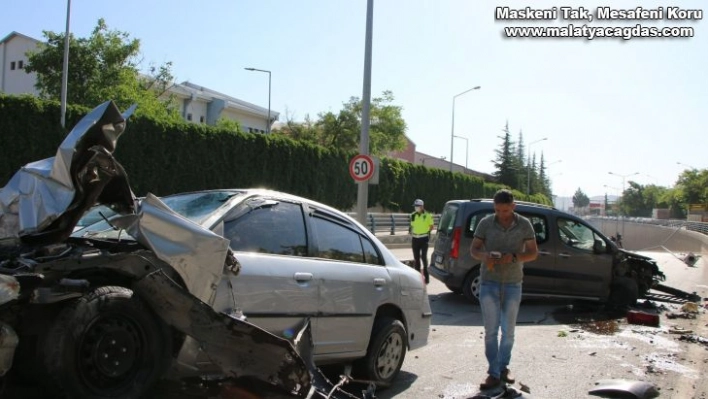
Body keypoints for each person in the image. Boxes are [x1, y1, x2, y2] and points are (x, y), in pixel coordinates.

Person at [469, 189, 538, 390]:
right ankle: (493, 372)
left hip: (513, 283)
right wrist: (486, 256)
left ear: (513, 207)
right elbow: (474, 249)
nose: (502, 214)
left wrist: (514, 257)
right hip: (489, 282)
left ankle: (503, 367)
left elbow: (533, 253)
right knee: (491, 331)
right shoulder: (485, 223)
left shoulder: (524, 224)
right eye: (498, 210)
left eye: (506, 210)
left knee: (508, 331)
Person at [410, 199, 434, 284]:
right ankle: (418, 279)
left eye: (417, 206)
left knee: (423, 257)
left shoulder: (428, 215)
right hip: (415, 239)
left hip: (424, 239)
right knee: (416, 259)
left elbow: (431, 226)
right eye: (415, 206)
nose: (416, 208)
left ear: (422, 206)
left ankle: (426, 278)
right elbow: (412, 225)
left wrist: (426, 231)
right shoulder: (412, 215)